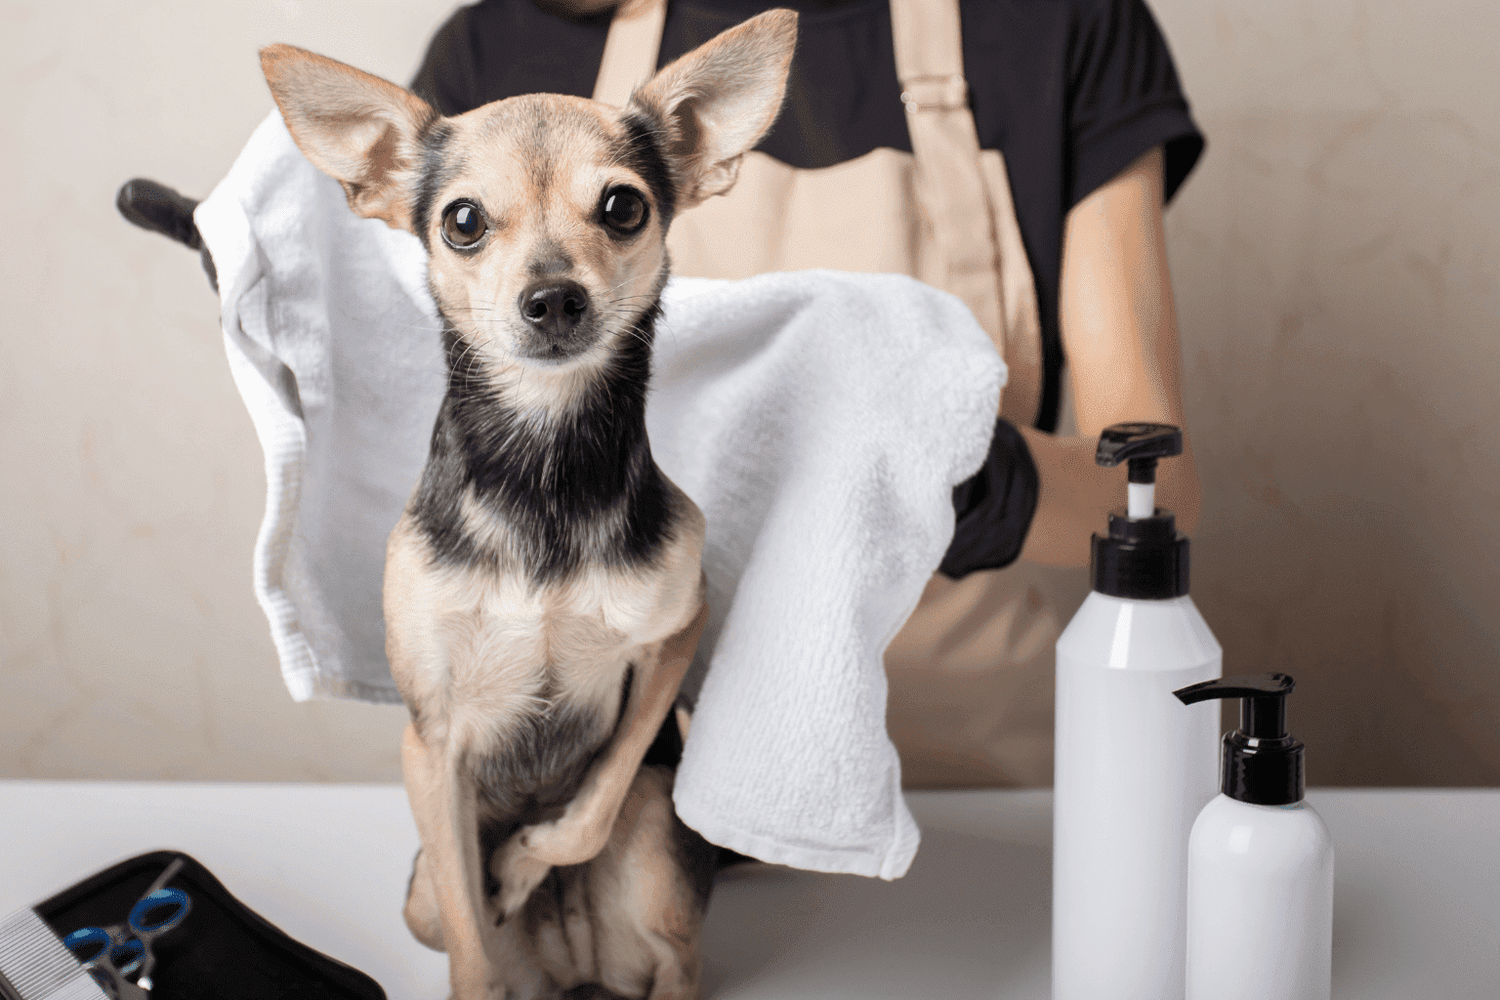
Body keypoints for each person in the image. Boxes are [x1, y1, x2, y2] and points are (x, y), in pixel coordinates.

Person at [119, 0, 1204, 789]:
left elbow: (1156, 498)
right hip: (617, 771)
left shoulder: (1063, 25)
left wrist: (931, 459)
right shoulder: (504, 46)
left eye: (620, 211)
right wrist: (297, 296)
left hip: (955, 777)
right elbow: (421, 360)